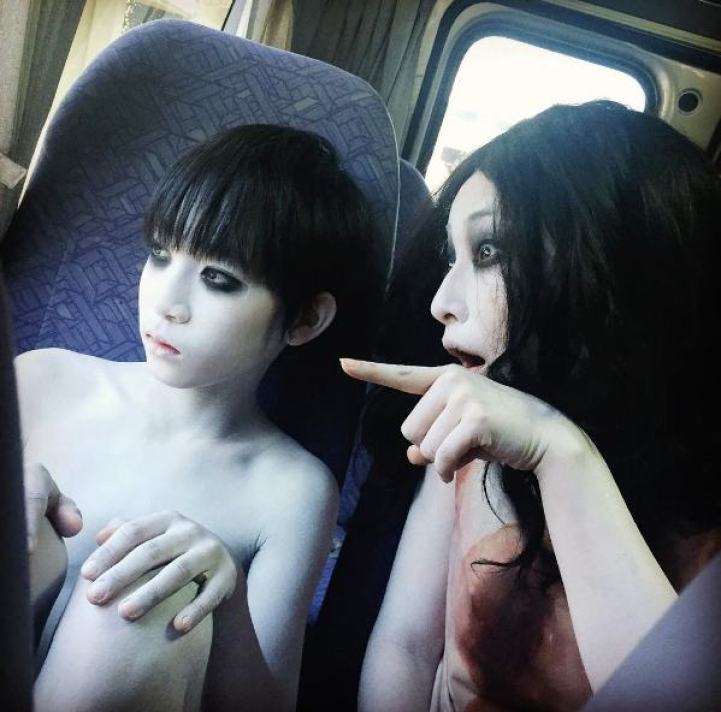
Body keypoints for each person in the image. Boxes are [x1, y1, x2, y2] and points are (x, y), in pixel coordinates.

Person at [346, 101, 721, 711]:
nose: (441, 301)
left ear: (613, 267)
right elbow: (406, 646)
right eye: (450, 257)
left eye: (488, 250)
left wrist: (561, 453)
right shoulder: (471, 442)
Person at [16, 123, 382, 711]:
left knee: (155, 595)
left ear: (305, 319)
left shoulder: (292, 491)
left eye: (219, 280)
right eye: (160, 256)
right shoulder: (42, 379)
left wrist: (224, 597)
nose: (167, 303)